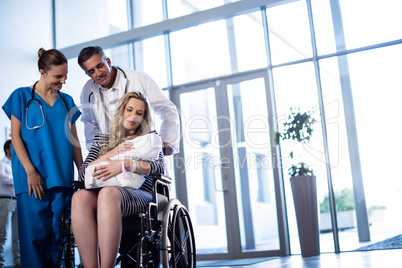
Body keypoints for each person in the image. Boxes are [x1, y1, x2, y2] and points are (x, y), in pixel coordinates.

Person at [2, 48, 83, 267]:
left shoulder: (67, 101)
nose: (63, 81)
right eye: (58, 76)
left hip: (62, 177)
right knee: (33, 240)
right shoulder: (21, 96)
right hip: (31, 179)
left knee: (60, 239)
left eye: (65, 76)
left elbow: (74, 141)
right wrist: (30, 171)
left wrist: (82, 171)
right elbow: (16, 138)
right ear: (42, 72)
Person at [71, 91, 166, 268]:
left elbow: (160, 168)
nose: (133, 116)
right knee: (79, 197)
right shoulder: (101, 140)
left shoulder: (150, 140)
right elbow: (84, 175)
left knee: (108, 193)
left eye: (139, 113)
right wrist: (113, 153)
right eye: (129, 110)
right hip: (103, 194)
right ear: (122, 110)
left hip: (140, 195)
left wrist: (126, 164)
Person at [78, 45, 180, 155]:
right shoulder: (87, 91)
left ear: (108, 61)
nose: (98, 73)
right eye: (91, 71)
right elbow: (90, 124)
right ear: (87, 74)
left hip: (143, 150)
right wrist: (96, 154)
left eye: (100, 66)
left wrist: (167, 141)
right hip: (111, 154)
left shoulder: (139, 79)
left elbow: (167, 109)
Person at [0, 140, 20, 268]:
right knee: (3, 234)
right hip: (5, 200)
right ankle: (0, 263)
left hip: (18, 200)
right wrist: (18, 180)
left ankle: (18, 263)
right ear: (7, 149)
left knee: (17, 235)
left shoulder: (17, 164)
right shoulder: (1, 164)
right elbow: (5, 179)